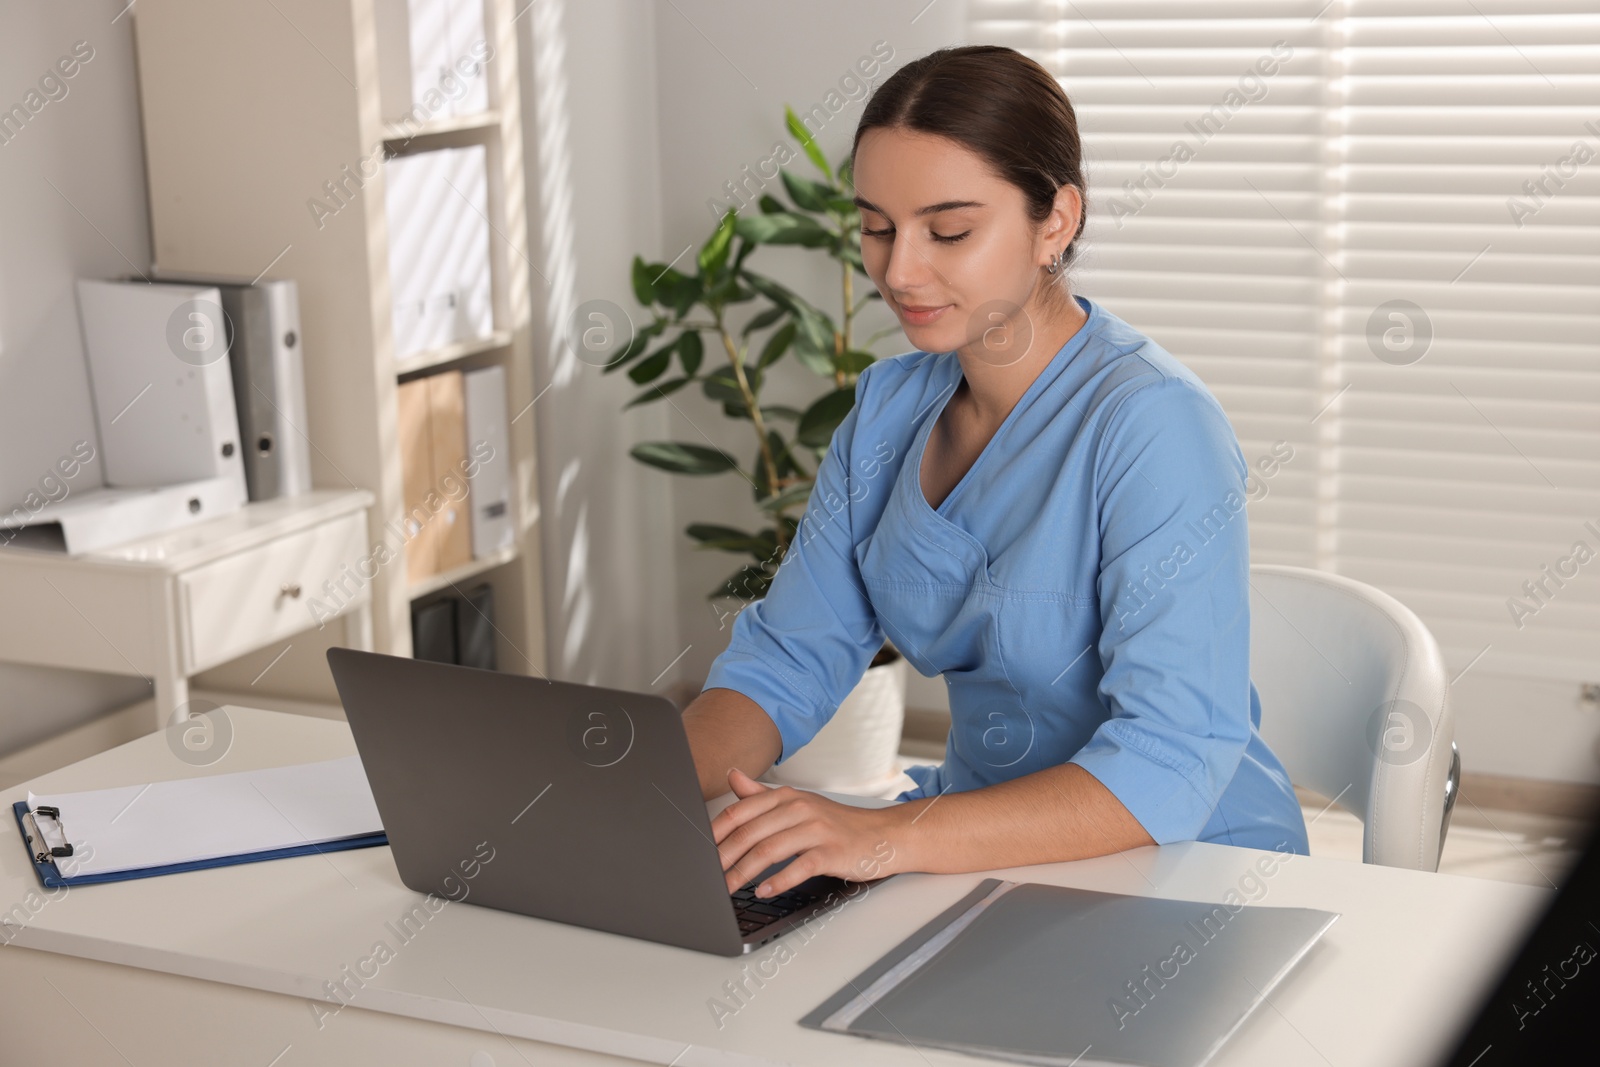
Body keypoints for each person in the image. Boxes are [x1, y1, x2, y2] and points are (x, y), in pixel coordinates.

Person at [682, 44, 1310, 901]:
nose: (899, 271)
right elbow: (785, 661)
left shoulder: (1154, 424)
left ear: (1055, 221)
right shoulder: (887, 411)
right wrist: (635, 799)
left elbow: (1170, 755)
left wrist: (883, 834)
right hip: (981, 851)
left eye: (949, 231)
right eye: (875, 227)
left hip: (1195, 870)